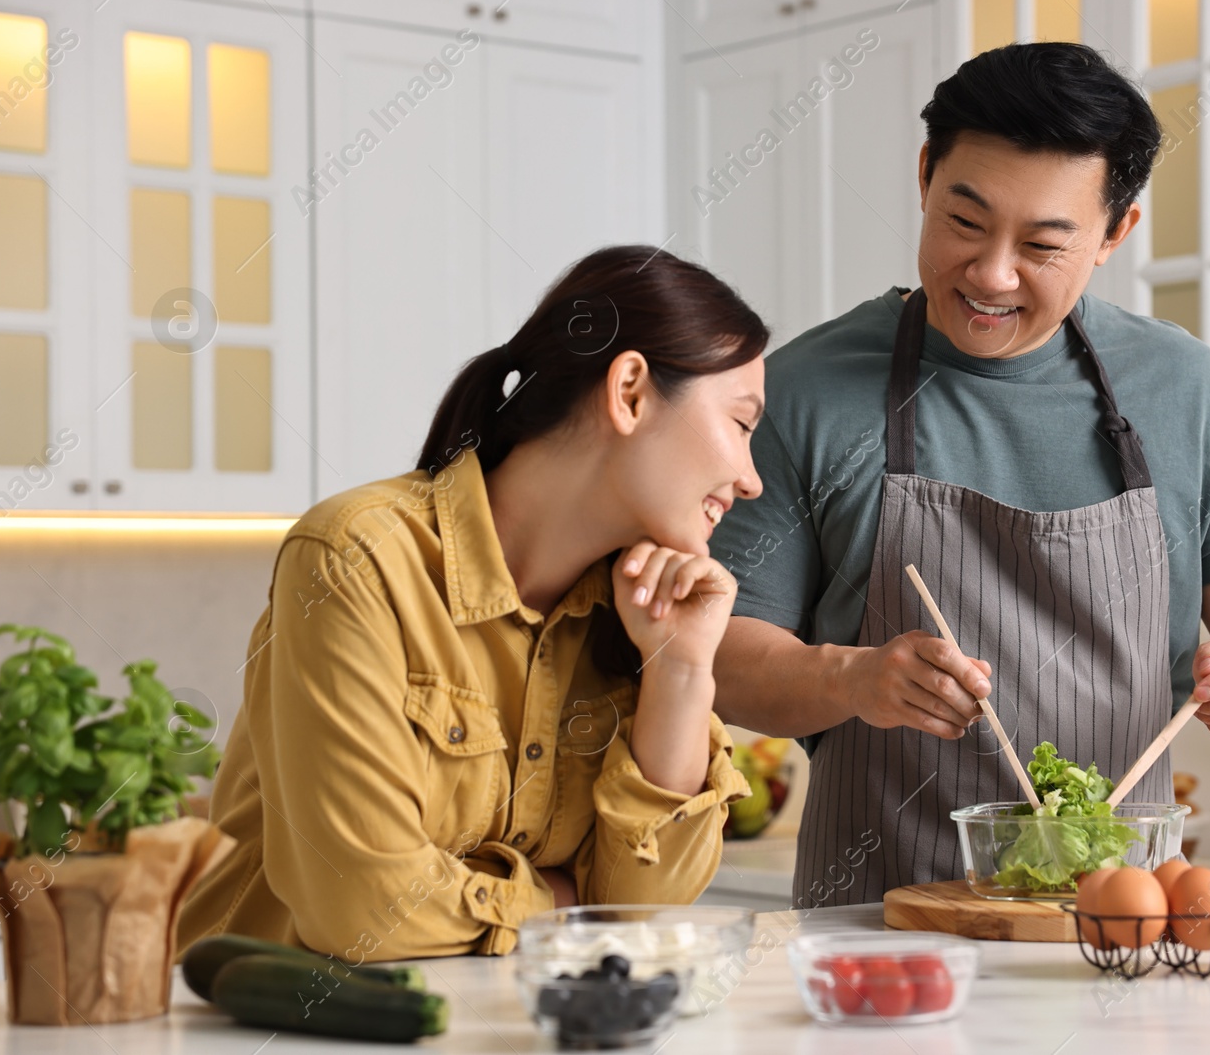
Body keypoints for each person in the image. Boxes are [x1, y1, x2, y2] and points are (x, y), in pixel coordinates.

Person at [708, 43, 1210, 906]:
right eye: (965, 222)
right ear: (927, 175)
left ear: (1116, 232)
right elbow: (721, 657)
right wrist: (852, 678)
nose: (992, 274)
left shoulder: (1185, 389)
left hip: (1124, 929)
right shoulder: (805, 390)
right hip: (881, 930)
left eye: (1041, 244)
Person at [177, 246, 768, 958]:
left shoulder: (636, 619)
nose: (750, 478)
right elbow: (363, 908)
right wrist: (561, 900)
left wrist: (679, 669)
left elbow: (640, 907)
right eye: (742, 424)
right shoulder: (355, 561)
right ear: (631, 391)